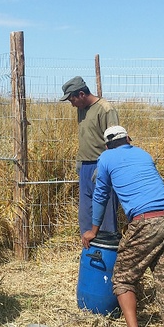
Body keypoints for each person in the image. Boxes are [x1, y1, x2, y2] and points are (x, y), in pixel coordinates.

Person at [81, 126, 164, 327]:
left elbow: (100, 195)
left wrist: (93, 230)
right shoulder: (143, 153)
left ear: (107, 144)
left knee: (123, 277)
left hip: (146, 221)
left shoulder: (106, 157)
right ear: (128, 139)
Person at [61, 76, 121, 243]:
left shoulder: (105, 109)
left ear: (81, 94)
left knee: (106, 210)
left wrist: (105, 167)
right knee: (86, 211)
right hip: (85, 166)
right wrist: (80, 162)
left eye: (72, 100)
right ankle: (89, 250)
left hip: (102, 165)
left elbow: (115, 142)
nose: (71, 104)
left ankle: (106, 251)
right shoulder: (81, 108)